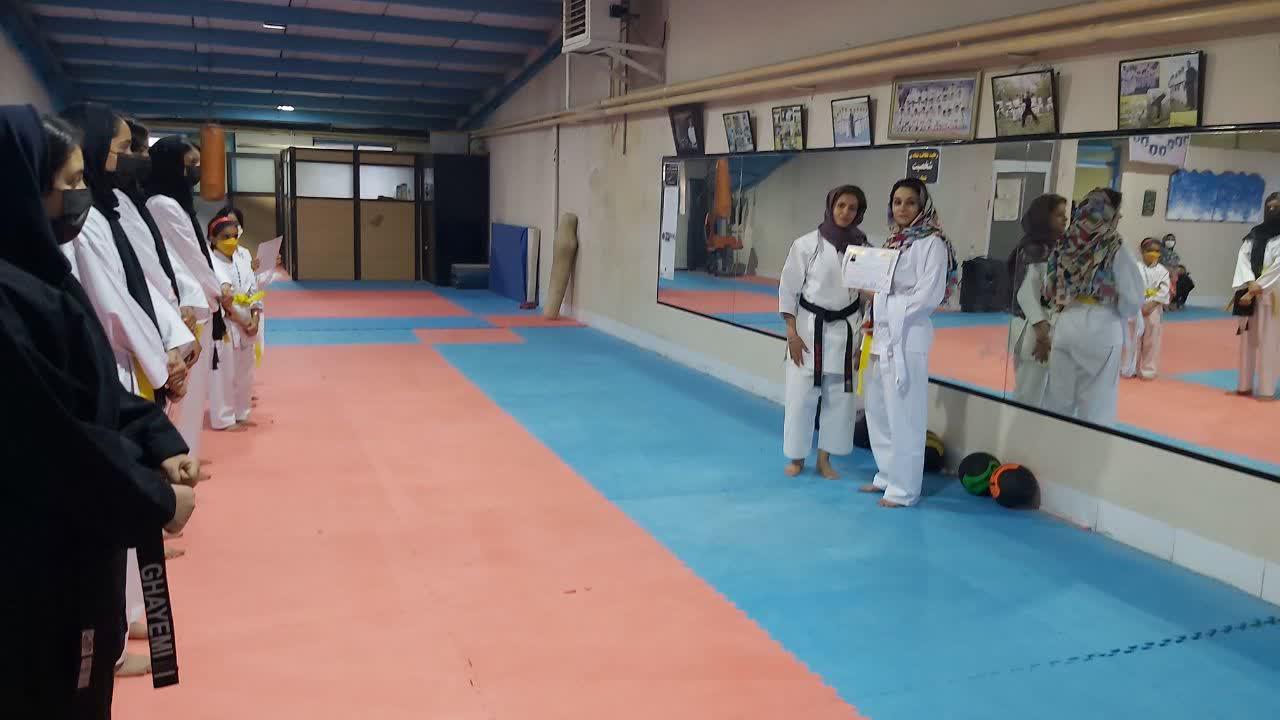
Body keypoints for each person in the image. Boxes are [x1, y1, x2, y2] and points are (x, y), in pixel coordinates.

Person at [0, 104, 198, 720]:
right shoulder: (9, 303)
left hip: (75, 546)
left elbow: (94, 388)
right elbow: (56, 438)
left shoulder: (41, 276)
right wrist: (155, 500)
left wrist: (158, 438)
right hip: (37, 564)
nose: (81, 194)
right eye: (71, 182)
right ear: (22, 188)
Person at [58, 103, 192, 407]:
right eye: (125, 148)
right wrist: (162, 361)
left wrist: (170, 335)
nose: (133, 157)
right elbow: (113, 305)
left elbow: (137, 279)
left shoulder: (110, 207)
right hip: (117, 360)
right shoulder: (85, 221)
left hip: (145, 343)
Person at [859, 178, 958, 508]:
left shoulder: (933, 243)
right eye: (897, 202)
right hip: (879, 334)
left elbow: (929, 296)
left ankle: (904, 489)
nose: (902, 208)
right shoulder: (893, 241)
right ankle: (887, 476)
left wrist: (880, 301)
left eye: (910, 202)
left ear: (923, 205)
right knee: (878, 410)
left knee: (905, 415)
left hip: (908, 335)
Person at [778, 185, 868, 479]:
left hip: (846, 330)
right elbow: (788, 290)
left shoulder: (863, 248)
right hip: (808, 330)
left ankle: (824, 459)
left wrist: (862, 343)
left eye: (852, 208)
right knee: (800, 397)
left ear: (859, 212)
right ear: (831, 206)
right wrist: (791, 333)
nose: (846, 212)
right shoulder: (806, 244)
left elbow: (868, 298)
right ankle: (796, 458)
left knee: (839, 401)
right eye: (841, 205)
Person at [146, 135, 224, 460]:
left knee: (194, 391)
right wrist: (220, 294)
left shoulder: (176, 204)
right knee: (184, 394)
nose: (196, 171)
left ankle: (187, 455)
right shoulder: (160, 204)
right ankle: (180, 457)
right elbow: (192, 257)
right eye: (190, 164)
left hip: (198, 301)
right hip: (188, 304)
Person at [1043, 188, 1145, 425]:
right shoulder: (1114, 245)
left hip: (1066, 324)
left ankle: (1051, 445)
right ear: (1108, 212)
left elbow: (1049, 286)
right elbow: (1132, 300)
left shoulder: (1065, 242)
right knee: (1097, 407)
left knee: (1057, 403)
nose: (1119, 218)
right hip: (1102, 328)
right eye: (1118, 213)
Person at [1007, 193, 1068, 406]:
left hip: (1047, 329)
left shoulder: (1056, 247)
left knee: (1045, 396)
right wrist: (1042, 335)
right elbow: (1026, 295)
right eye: (1059, 215)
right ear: (1044, 218)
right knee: (1029, 396)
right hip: (1034, 330)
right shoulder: (1034, 250)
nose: (1065, 219)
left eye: (1065, 214)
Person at [208, 211, 264, 431]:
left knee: (245, 373)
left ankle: (242, 412)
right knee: (224, 374)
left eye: (234, 236)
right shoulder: (211, 262)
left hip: (247, 322)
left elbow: (254, 290)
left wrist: (255, 318)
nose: (231, 241)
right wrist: (243, 321)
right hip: (226, 324)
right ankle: (224, 418)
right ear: (213, 238)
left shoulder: (243, 259)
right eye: (225, 237)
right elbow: (225, 300)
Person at [1231, 192, 1280, 400]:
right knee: (1247, 341)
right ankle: (1244, 384)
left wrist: (1257, 286)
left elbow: (1278, 267)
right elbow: (1243, 258)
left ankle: (1266, 388)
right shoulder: (1255, 234)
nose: (1272, 210)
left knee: (1269, 342)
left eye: (1277, 207)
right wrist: (1250, 283)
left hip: (1272, 295)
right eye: (1269, 207)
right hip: (1249, 295)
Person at [1122, 238, 1172, 380]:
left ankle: (1148, 369)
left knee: (1152, 340)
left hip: (1153, 308)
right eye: (1150, 251)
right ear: (1142, 251)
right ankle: (1129, 368)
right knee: (1132, 339)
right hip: (1135, 308)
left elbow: (1164, 290)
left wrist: (1152, 303)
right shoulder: (1134, 268)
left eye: (1156, 251)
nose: (1153, 254)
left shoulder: (1162, 271)